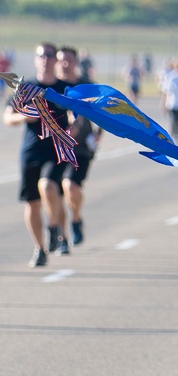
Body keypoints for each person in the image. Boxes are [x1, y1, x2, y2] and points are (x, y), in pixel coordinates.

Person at [2, 42, 70, 265]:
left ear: (56, 60)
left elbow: (80, 114)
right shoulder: (26, 88)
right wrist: (24, 117)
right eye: (41, 55)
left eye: (50, 55)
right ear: (36, 59)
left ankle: (54, 227)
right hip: (31, 151)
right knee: (32, 203)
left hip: (57, 149)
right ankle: (39, 249)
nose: (45, 59)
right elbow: (7, 117)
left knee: (48, 185)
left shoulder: (64, 88)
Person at [57, 46, 100, 247]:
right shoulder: (53, 87)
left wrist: (98, 134)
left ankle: (75, 219)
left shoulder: (86, 86)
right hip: (56, 147)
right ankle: (62, 238)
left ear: (76, 62)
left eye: (69, 60)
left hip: (81, 147)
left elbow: (102, 111)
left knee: (70, 186)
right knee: (56, 193)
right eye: (62, 60)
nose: (65, 64)